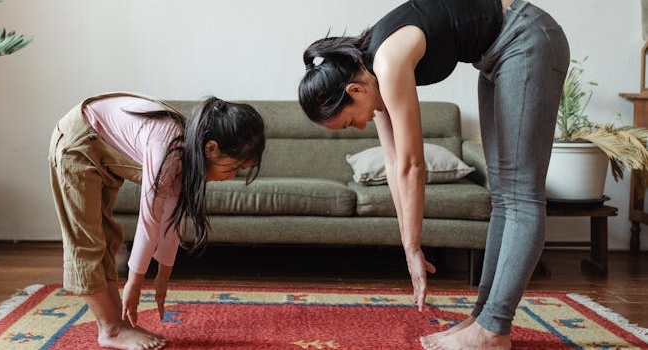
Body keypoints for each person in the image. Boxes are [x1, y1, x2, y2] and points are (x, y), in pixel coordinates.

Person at [298, 0, 569, 349]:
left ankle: (494, 330)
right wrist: (406, 242)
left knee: (521, 194)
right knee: (503, 196)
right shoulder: (369, 74)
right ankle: (484, 317)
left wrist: (413, 247)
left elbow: (413, 165)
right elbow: (395, 163)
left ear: (354, 91)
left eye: (351, 120)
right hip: (494, 56)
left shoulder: (387, 62)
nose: (360, 125)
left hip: (525, 38)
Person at [49, 92, 265, 350]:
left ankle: (117, 325)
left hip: (101, 151)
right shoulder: (169, 147)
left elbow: (170, 218)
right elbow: (149, 218)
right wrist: (134, 282)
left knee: (107, 238)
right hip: (78, 143)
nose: (231, 177)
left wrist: (162, 278)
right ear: (211, 148)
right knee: (85, 242)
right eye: (234, 168)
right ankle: (111, 329)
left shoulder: (189, 153)